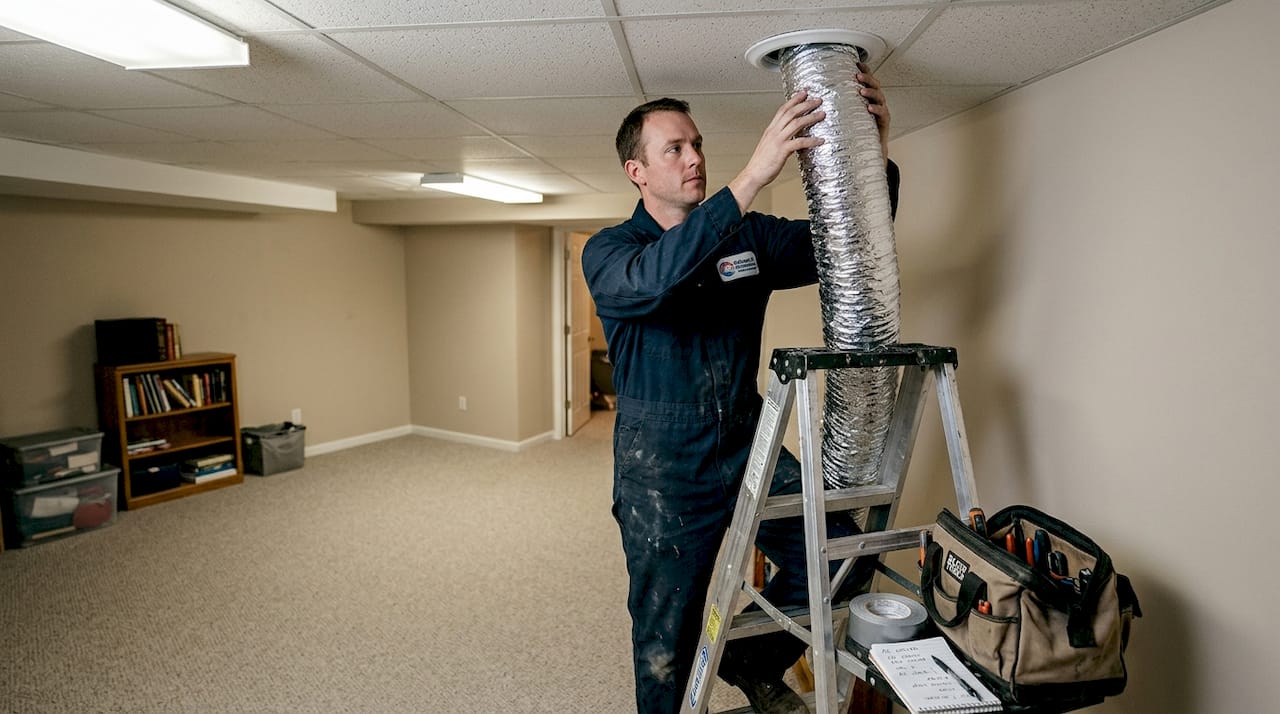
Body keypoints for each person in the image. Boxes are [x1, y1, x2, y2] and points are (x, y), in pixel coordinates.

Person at [582, 64, 900, 714]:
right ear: (636, 171)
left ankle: (750, 661)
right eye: (675, 148)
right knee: (664, 643)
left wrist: (870, 151)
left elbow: (838, 247)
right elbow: (659, 280)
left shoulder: (745, 238)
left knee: (843, 556)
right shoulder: (611, 253)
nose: (694, 157)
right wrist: (751, 178)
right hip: (662, 478)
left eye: (696, 144)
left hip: (745, 447)